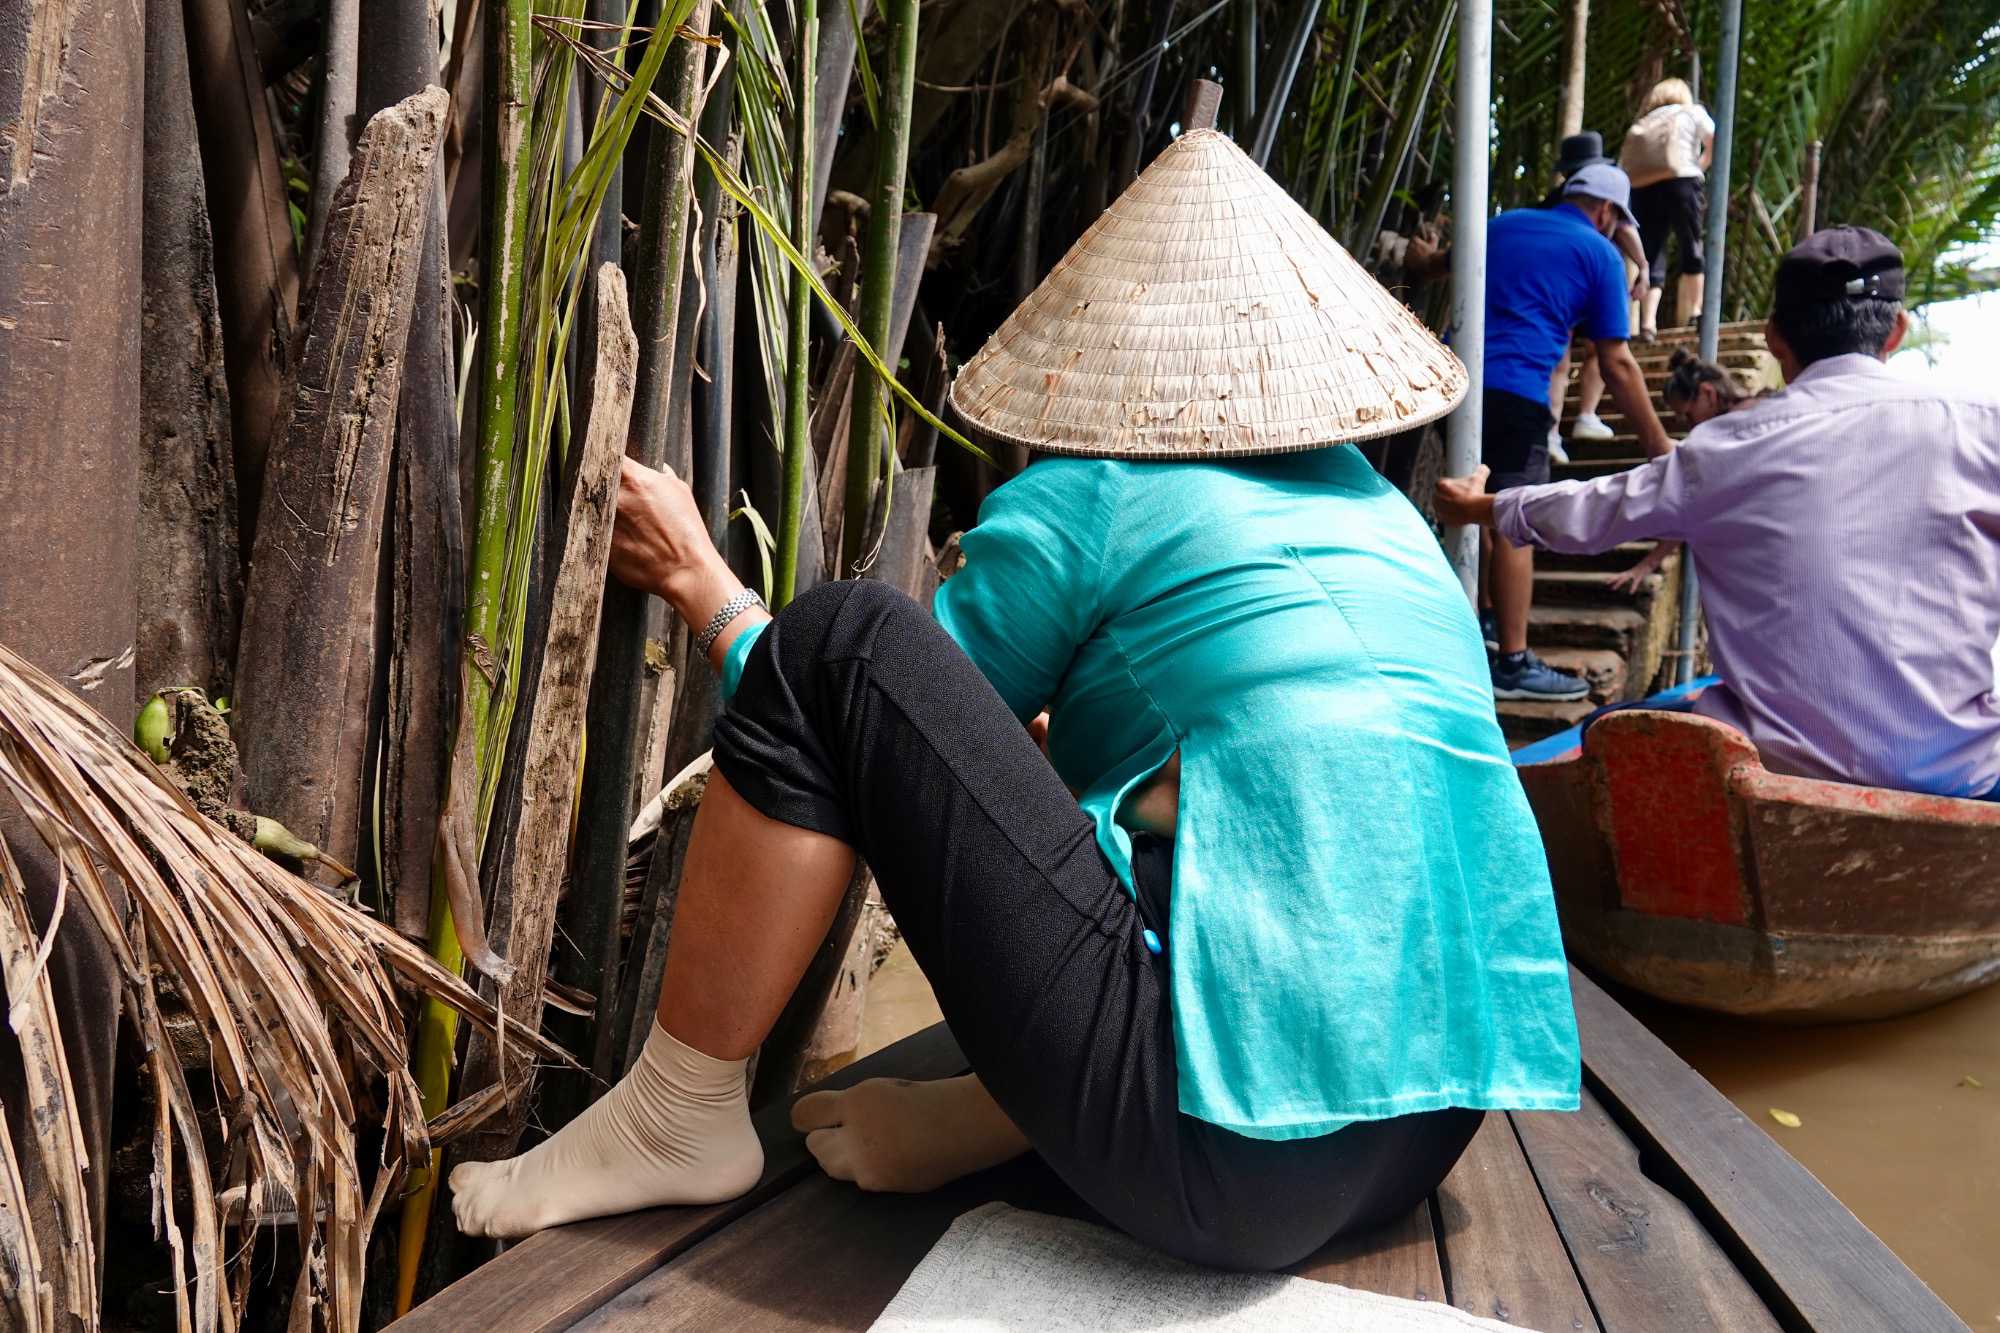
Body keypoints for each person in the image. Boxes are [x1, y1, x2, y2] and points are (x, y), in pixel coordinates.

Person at [449, 123, 1582, 1271]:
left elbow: (839, 717)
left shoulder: (1103, 485)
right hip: (1425, 1128)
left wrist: (708, 587)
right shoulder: (1382, 521)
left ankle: (673, 1113)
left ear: (1102, 359)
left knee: (842, 642)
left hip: (1230, 1154)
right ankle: (991, 1119)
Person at [1437, 226, 2000, 798]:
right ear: (1897, 330)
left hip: (1776, 778)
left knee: (1607, 731)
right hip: (1965, 777)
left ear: (1774, 337)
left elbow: (1592, 509)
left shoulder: (1725, 448)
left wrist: (1481, 505)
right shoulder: (1985, 427)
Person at [1480, 161, 1675, 701]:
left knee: (1475, 508)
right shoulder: (1600, 254)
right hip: (1519, 390)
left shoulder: (1501, 224)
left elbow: (1437, 265)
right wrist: (1659, 446)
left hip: (1453, 383)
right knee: (1516, 519)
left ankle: (1485, 624)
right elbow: (1616, 361)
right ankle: (1513, 663)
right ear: (1607, 212)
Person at [1604, 349, 1768, 593]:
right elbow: (1694, 504)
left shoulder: (1739, 432)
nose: (1690, 425)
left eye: (1689, 415)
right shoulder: (1738, 427)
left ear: (1708, 393)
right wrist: (1647, 565)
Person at [1619, 78, 1715, 340]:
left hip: (1643, 186)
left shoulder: (1645, 121)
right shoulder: (1692, 111)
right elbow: (1714, 139)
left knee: (1651, 252)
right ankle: (1696, 312)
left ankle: (1648, 323)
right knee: (1691, 245)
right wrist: (1700, 165)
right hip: (1682, 180)